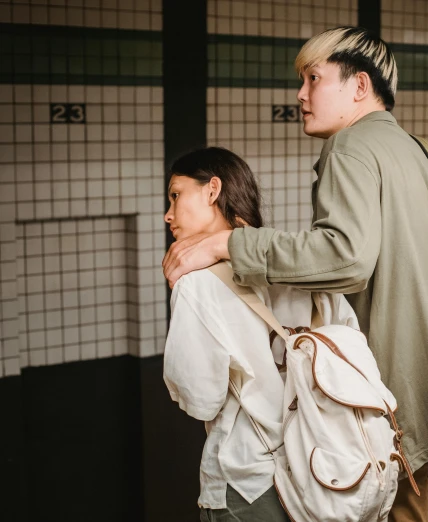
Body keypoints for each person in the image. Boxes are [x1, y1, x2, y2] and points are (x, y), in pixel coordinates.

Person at [162, 27, 428, 521]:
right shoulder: (420, 151)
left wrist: (228, 242)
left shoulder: (350, 147)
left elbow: (347, 258)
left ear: (359, 86)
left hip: (386, 383)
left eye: (313, 79)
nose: (301, 95)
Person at [162, 147, 358, 522]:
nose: (168, 214)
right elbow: (350, 345)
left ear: (211, 190)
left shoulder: (196, 284)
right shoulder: (300, 260)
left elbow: (201, 398)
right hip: (326, 466)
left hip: (250, 479)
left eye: (175, 195)